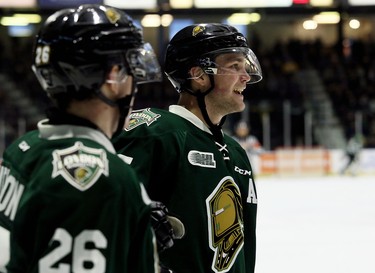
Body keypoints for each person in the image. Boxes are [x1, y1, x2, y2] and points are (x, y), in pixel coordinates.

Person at [0, 4, 165, 272]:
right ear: (114, 75)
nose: (136, 84)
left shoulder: (23, 147)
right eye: (132, 69)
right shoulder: (98, 178)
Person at [113, 23, 263, 273]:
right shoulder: (155, 132)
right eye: (235, 66)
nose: (246, 76)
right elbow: (101, 214)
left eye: (245, 66)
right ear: (200, 76)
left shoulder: (236, 152)